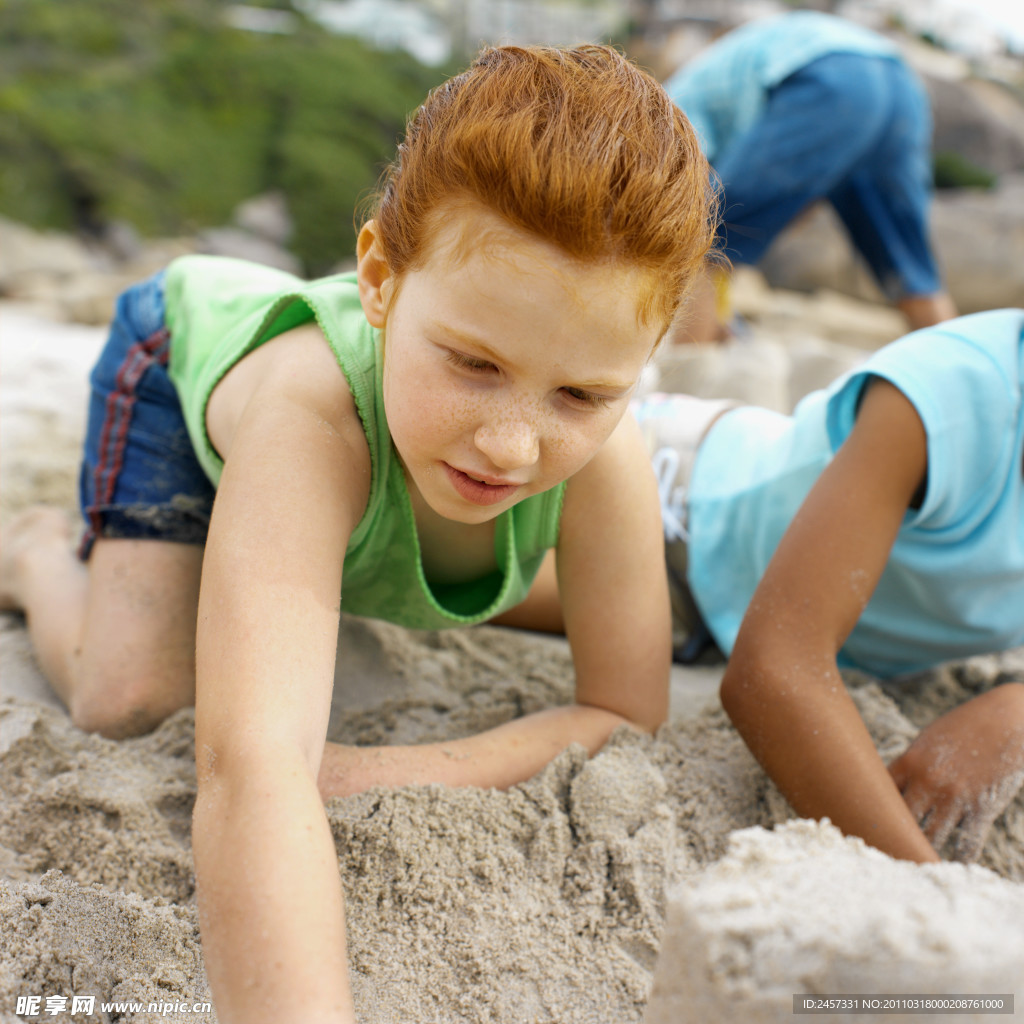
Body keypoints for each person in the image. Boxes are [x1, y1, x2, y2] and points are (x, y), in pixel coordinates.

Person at [0, 46, 716, 1024]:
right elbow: (251, 769)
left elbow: (625, 711)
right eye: (472, 362)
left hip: (361, 483)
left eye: (583, 393)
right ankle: (36, 553)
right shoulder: (314, 415)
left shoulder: (601, 455)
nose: (511, 445)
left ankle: (296, 546)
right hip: (181, 375)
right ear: (378, 278)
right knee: (132, 699)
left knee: (478, 563)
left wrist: (373, 768)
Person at [634, 308, 1024, 865]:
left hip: (729, 602)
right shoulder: (950, 396)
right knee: (477, 581)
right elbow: (773, 671)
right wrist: (935, 895)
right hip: (678, 510)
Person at [662, 10, 958, 343]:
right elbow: (789, 203)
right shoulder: (712, 78)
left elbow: (696, 214)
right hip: (901, 84)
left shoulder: (664, 113)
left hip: (829, 74)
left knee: (700, 236)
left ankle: (691, 380)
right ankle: (967, 379)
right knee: (913, 272)